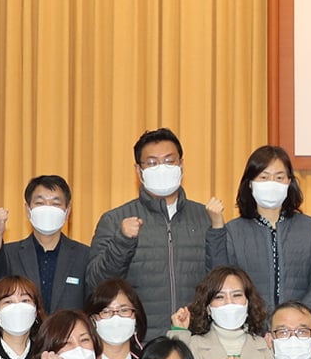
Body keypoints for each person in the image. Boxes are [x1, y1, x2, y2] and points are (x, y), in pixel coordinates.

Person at [87, 128, 219, 331]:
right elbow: (95, 284)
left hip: (195, 338)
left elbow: (221, 280)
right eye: (151, 163)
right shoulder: (114, 220)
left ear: (181, 165)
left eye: (169, 161)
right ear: (138, 170)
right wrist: (122, 241)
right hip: (140, 339)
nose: (161, 169)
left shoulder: (205, 217)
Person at [208, 144, 311, 324]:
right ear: (250, 183)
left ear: (289, 182)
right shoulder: (233, 231)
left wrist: (295, 321)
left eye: (279, 177)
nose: (272, 183)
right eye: (264, 177)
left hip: (299, 332)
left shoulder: (309, 227)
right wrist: (217, 229)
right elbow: (218, 281)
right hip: (249, 332)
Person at [0, 175, 93, 313]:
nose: (47, 209)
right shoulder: (10, 254)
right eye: (40, 203)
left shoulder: (84, 255)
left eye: (55, 204)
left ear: (67, 211)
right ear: (28, 210)